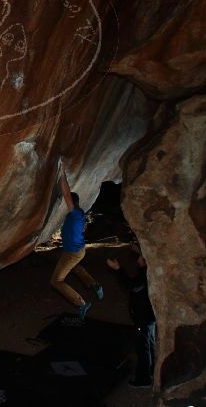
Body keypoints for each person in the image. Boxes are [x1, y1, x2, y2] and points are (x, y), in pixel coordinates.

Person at [49, 163, 103, 321]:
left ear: (73, 204)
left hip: (73, 252)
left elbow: (66, 195)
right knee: (75, 267)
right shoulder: (79, 213)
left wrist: (63, 174)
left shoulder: (75, 214)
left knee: (56, 281)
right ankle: (94, 285)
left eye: (69, 203)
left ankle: (81, 303)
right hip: (76, 251)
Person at [107, 249, 156, 388]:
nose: (138, 259)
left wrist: (118, 269)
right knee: (150, 344)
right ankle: (151, 370)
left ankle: (144, 379)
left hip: (143, 317)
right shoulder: (147, 272)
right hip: (149, 316)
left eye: (140, 257)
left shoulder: (145, 275)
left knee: (142, 348)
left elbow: (132, 286)